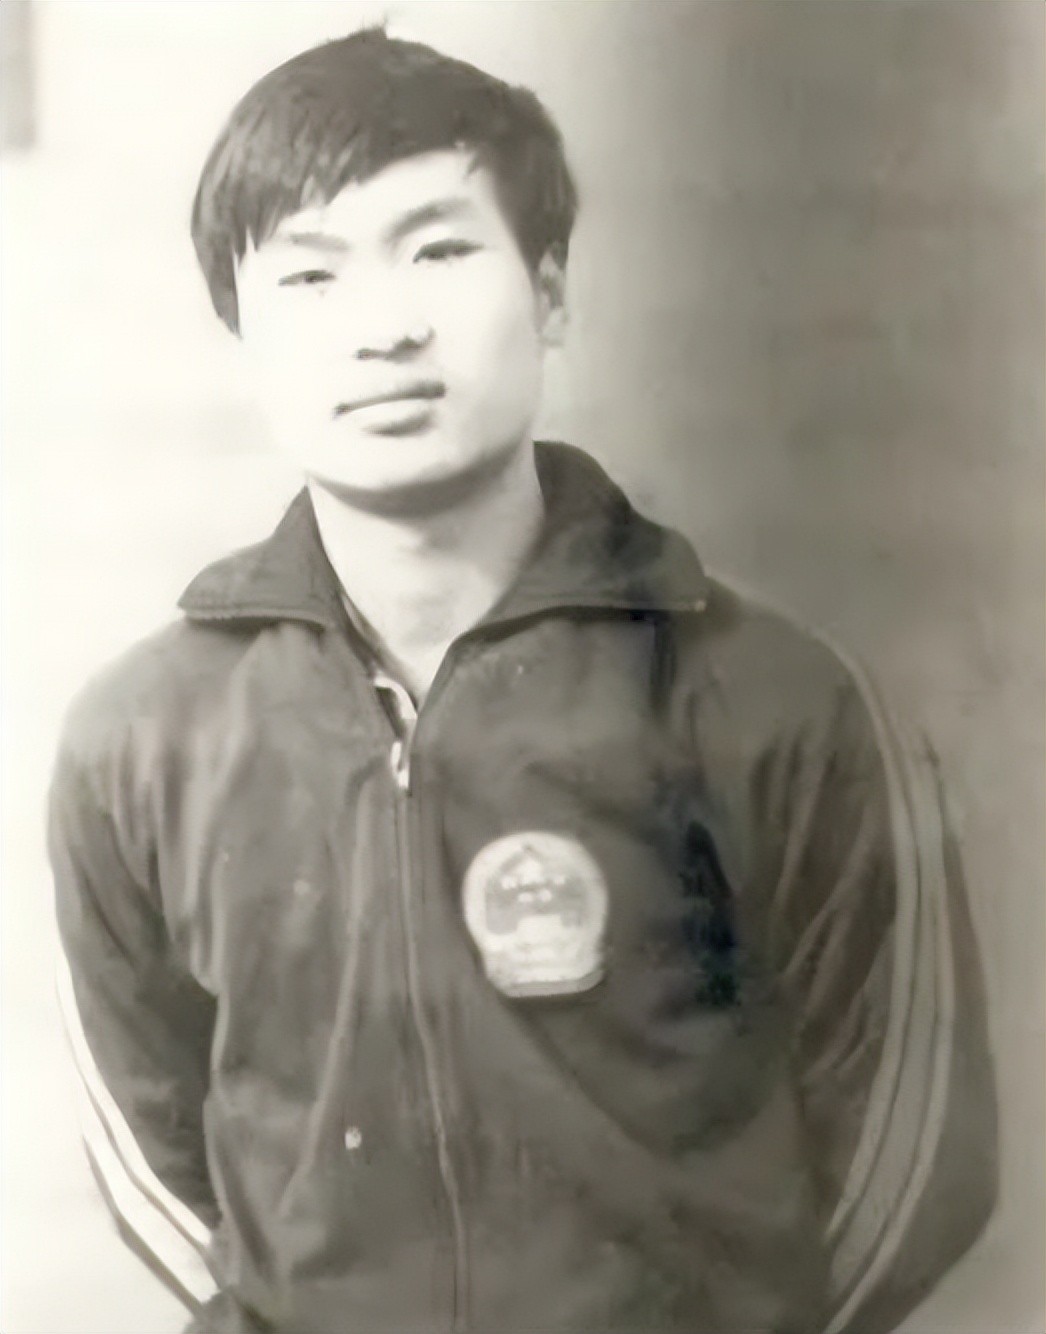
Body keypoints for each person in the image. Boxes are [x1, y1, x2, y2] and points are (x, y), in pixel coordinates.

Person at [48, 27, 997, 1334]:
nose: (383, 327)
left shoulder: (776, 702)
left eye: (438, 251)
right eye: (311, 274)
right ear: (242, 332)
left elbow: (914, 1154)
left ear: (548, 294)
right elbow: (150, 1156)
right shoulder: (142, 740)